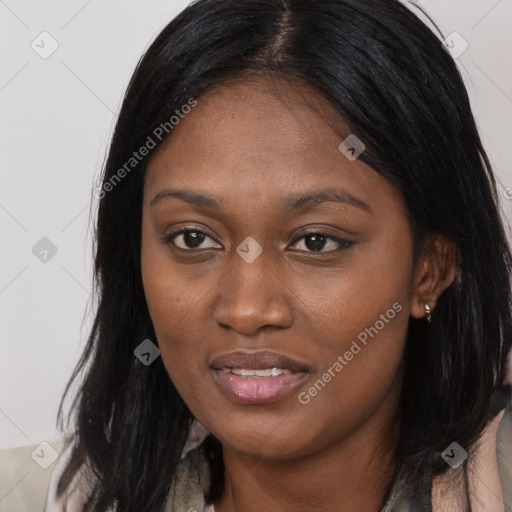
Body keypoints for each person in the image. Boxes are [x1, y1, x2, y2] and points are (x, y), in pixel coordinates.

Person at [44, 0, 512, 511]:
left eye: (316, 241)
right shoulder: (76, 491)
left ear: (430, 269)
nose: (246, 310)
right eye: (193, 238)